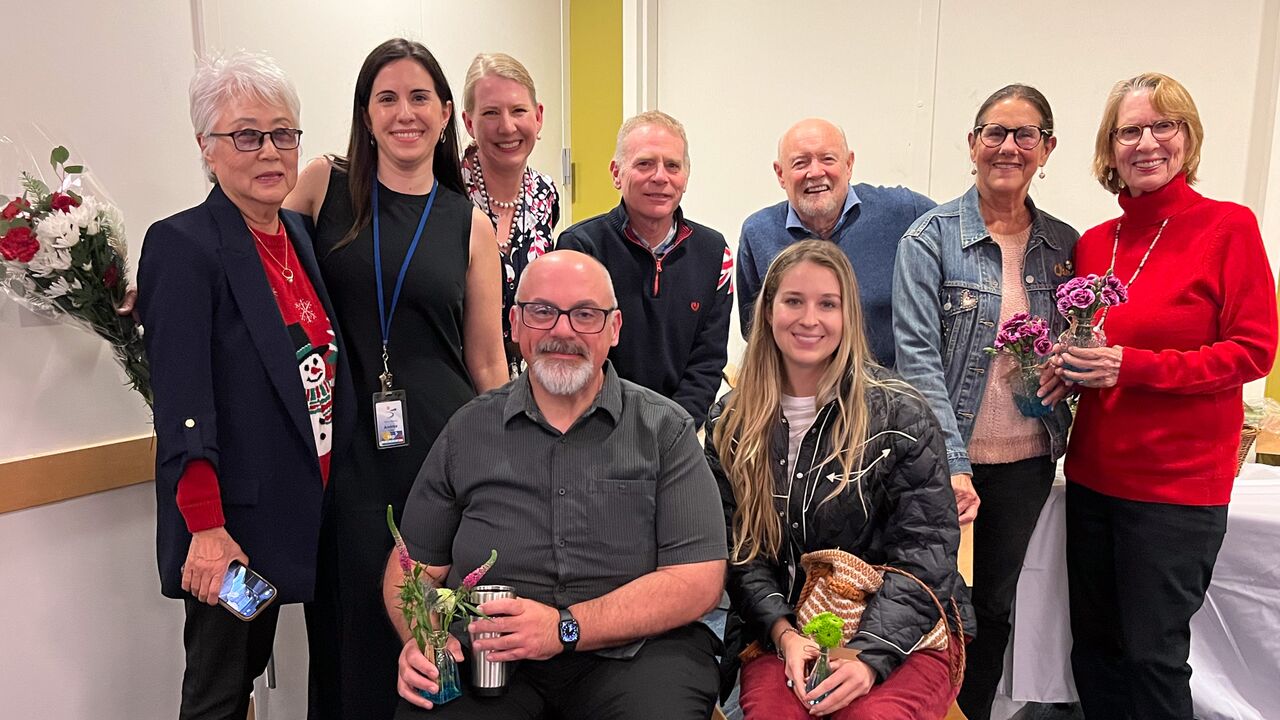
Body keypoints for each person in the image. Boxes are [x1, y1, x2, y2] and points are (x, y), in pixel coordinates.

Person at [387, 250, 727, 719]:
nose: (563, 331)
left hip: (638, 655)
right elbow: (410, 570)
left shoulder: (665, 430)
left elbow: (697, 580)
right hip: (491, 663)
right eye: (542, 311)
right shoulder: (467, 431)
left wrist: (564, 627)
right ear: (515, 324)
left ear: (614, 328)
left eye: (585, 314)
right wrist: (424, 639)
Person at [284, 38, 508, 720]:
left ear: (446, 115)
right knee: (351, 628)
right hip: (345, 447)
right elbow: (259, 260)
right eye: (387, 98)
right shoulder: (325, 183)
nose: (404, 113)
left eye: (420, 98)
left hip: (441, 450)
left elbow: (487, 361)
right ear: (365, 112)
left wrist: (510, 461)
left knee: (437, 631)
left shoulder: (469, 224)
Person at [1053, 72, 1277, 719]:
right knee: (1094, 650)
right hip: (1094, 479)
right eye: (1130, 130)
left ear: (1188, 137)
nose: (1147, 141)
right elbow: (1091, 351)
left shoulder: (1228, 228)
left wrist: (1134, 367)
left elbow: (1252, 351)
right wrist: (1065, 370)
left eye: (1164, 125)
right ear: (1109, 147)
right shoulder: (1095, 243)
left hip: (1176, 491)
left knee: (1152, 657)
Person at [138, 51, 352, 720]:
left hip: (298, 510)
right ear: (207, 147)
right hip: (232, 530)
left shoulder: (295, 233)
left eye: (284, 133)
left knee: (253, 669)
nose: (269, 150)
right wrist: (206, 529)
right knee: (220, 691)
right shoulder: (184, 245)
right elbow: (183, 403)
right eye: (246, 135)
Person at [707, 240, 974, 719]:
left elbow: (926, 553)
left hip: (902, 631)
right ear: (767, 311)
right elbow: (740, 554)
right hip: (784, 628)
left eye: (827, 304)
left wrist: (871, 656)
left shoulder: (902, 413)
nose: (809, 319)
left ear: (848, 315)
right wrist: (784, 633)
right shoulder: (732, 420)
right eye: (793, 301)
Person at [893, 85, 1078, 720]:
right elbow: (916, 358)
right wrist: (951, 462)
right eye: (995, 132)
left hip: (1026, 463)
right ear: (972, 144)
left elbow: (1074, 345)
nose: (1008, 147)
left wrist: (1069, 375)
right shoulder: (930, 239)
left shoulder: (1064, 246)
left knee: (996, 606)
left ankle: (970, 714)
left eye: (1026, 135)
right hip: (944, 466)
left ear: (1047, 148)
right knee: (934, 604)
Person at [556, 110, 731, 430]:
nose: (660, 177)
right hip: (596, 429)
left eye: (673, 166)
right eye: (644, 163)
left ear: (686, 176)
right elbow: (576, 356)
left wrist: (674, 430)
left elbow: (707, 362)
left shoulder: (715, 252)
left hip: (677, 433)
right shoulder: (580, 248)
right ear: (616, 173)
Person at [736, 118, 935, 367]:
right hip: (800, 394)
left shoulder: (905, 212)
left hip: (884, 396)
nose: (815, 172)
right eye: (800, 163)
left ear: (849, 164)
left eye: (828, 159)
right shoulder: (758, 233)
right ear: (780, 174)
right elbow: (755, 330)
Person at [460, 52, 561, 378]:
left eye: (519, 110)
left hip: (528, 386)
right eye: (490, 113)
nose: (507, 126)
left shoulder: (546, 194)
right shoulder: (445, 195)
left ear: (538, 117)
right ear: (468, 122)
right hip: (456, 385)